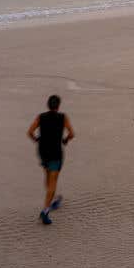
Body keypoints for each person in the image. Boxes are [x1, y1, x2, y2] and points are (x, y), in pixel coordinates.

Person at [27, 94, 75, 225]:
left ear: (48, 105)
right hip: (55, 153)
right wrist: (65, 140)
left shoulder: (41, 117)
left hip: (43, 152)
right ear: (58, 106)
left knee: (48, 177)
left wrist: (37, 140)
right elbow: (72, 133)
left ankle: (51, 199)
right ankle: (46, 210)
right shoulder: (63, 117)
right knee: (53, 182)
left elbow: (30, 132)